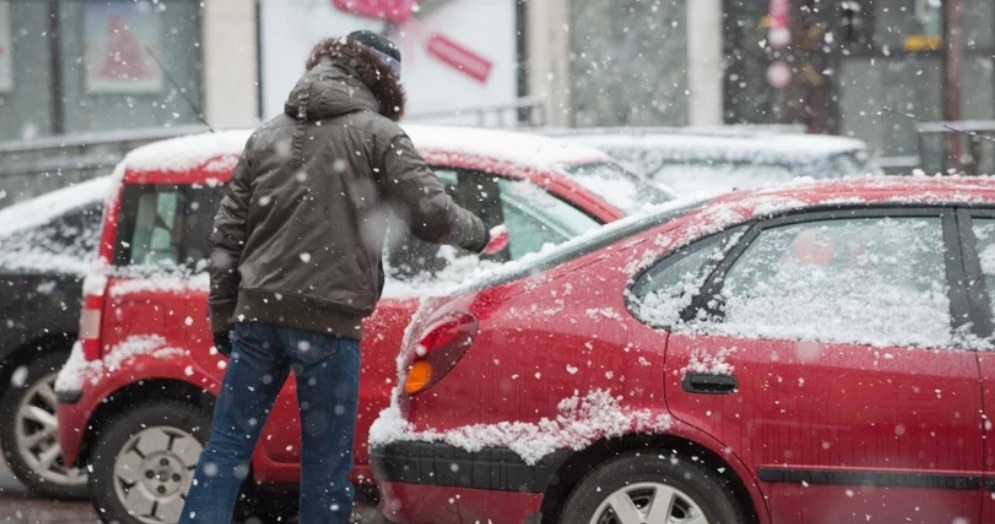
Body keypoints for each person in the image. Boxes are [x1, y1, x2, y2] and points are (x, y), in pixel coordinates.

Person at [179, 30, 505, 524]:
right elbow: (432, 215)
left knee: (225, 448)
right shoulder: (378, 134)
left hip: (257, 315)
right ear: (385, 80)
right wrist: (480, 235)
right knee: (326, 466)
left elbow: (227, 237)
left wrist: (224, 314)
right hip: (327, 323)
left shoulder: (266, 135)